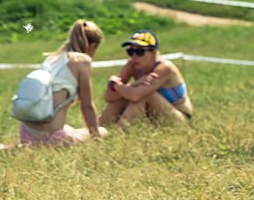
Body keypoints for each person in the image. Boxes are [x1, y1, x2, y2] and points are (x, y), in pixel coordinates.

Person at [11, 19, 106, 147]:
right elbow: (87, 105)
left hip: (26, 133)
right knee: (103, 131)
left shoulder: (51, 58)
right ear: (92, 46)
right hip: (53, 137)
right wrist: (96, 137)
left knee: (71, 129)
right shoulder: (82, 61)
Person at [100, 30, 194, 127]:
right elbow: (109, 97)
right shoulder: (132, 64)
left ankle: (118, 133)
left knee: (145, 95)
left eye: (140, 52)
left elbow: (135, 95)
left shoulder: (165, 67)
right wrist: (134, 84)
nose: (134, 56)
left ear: (153, 53)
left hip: (179, 118)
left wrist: (115, 85)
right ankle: (97, 130)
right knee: (123, 96)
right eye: (130, 51)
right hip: (154, 116)